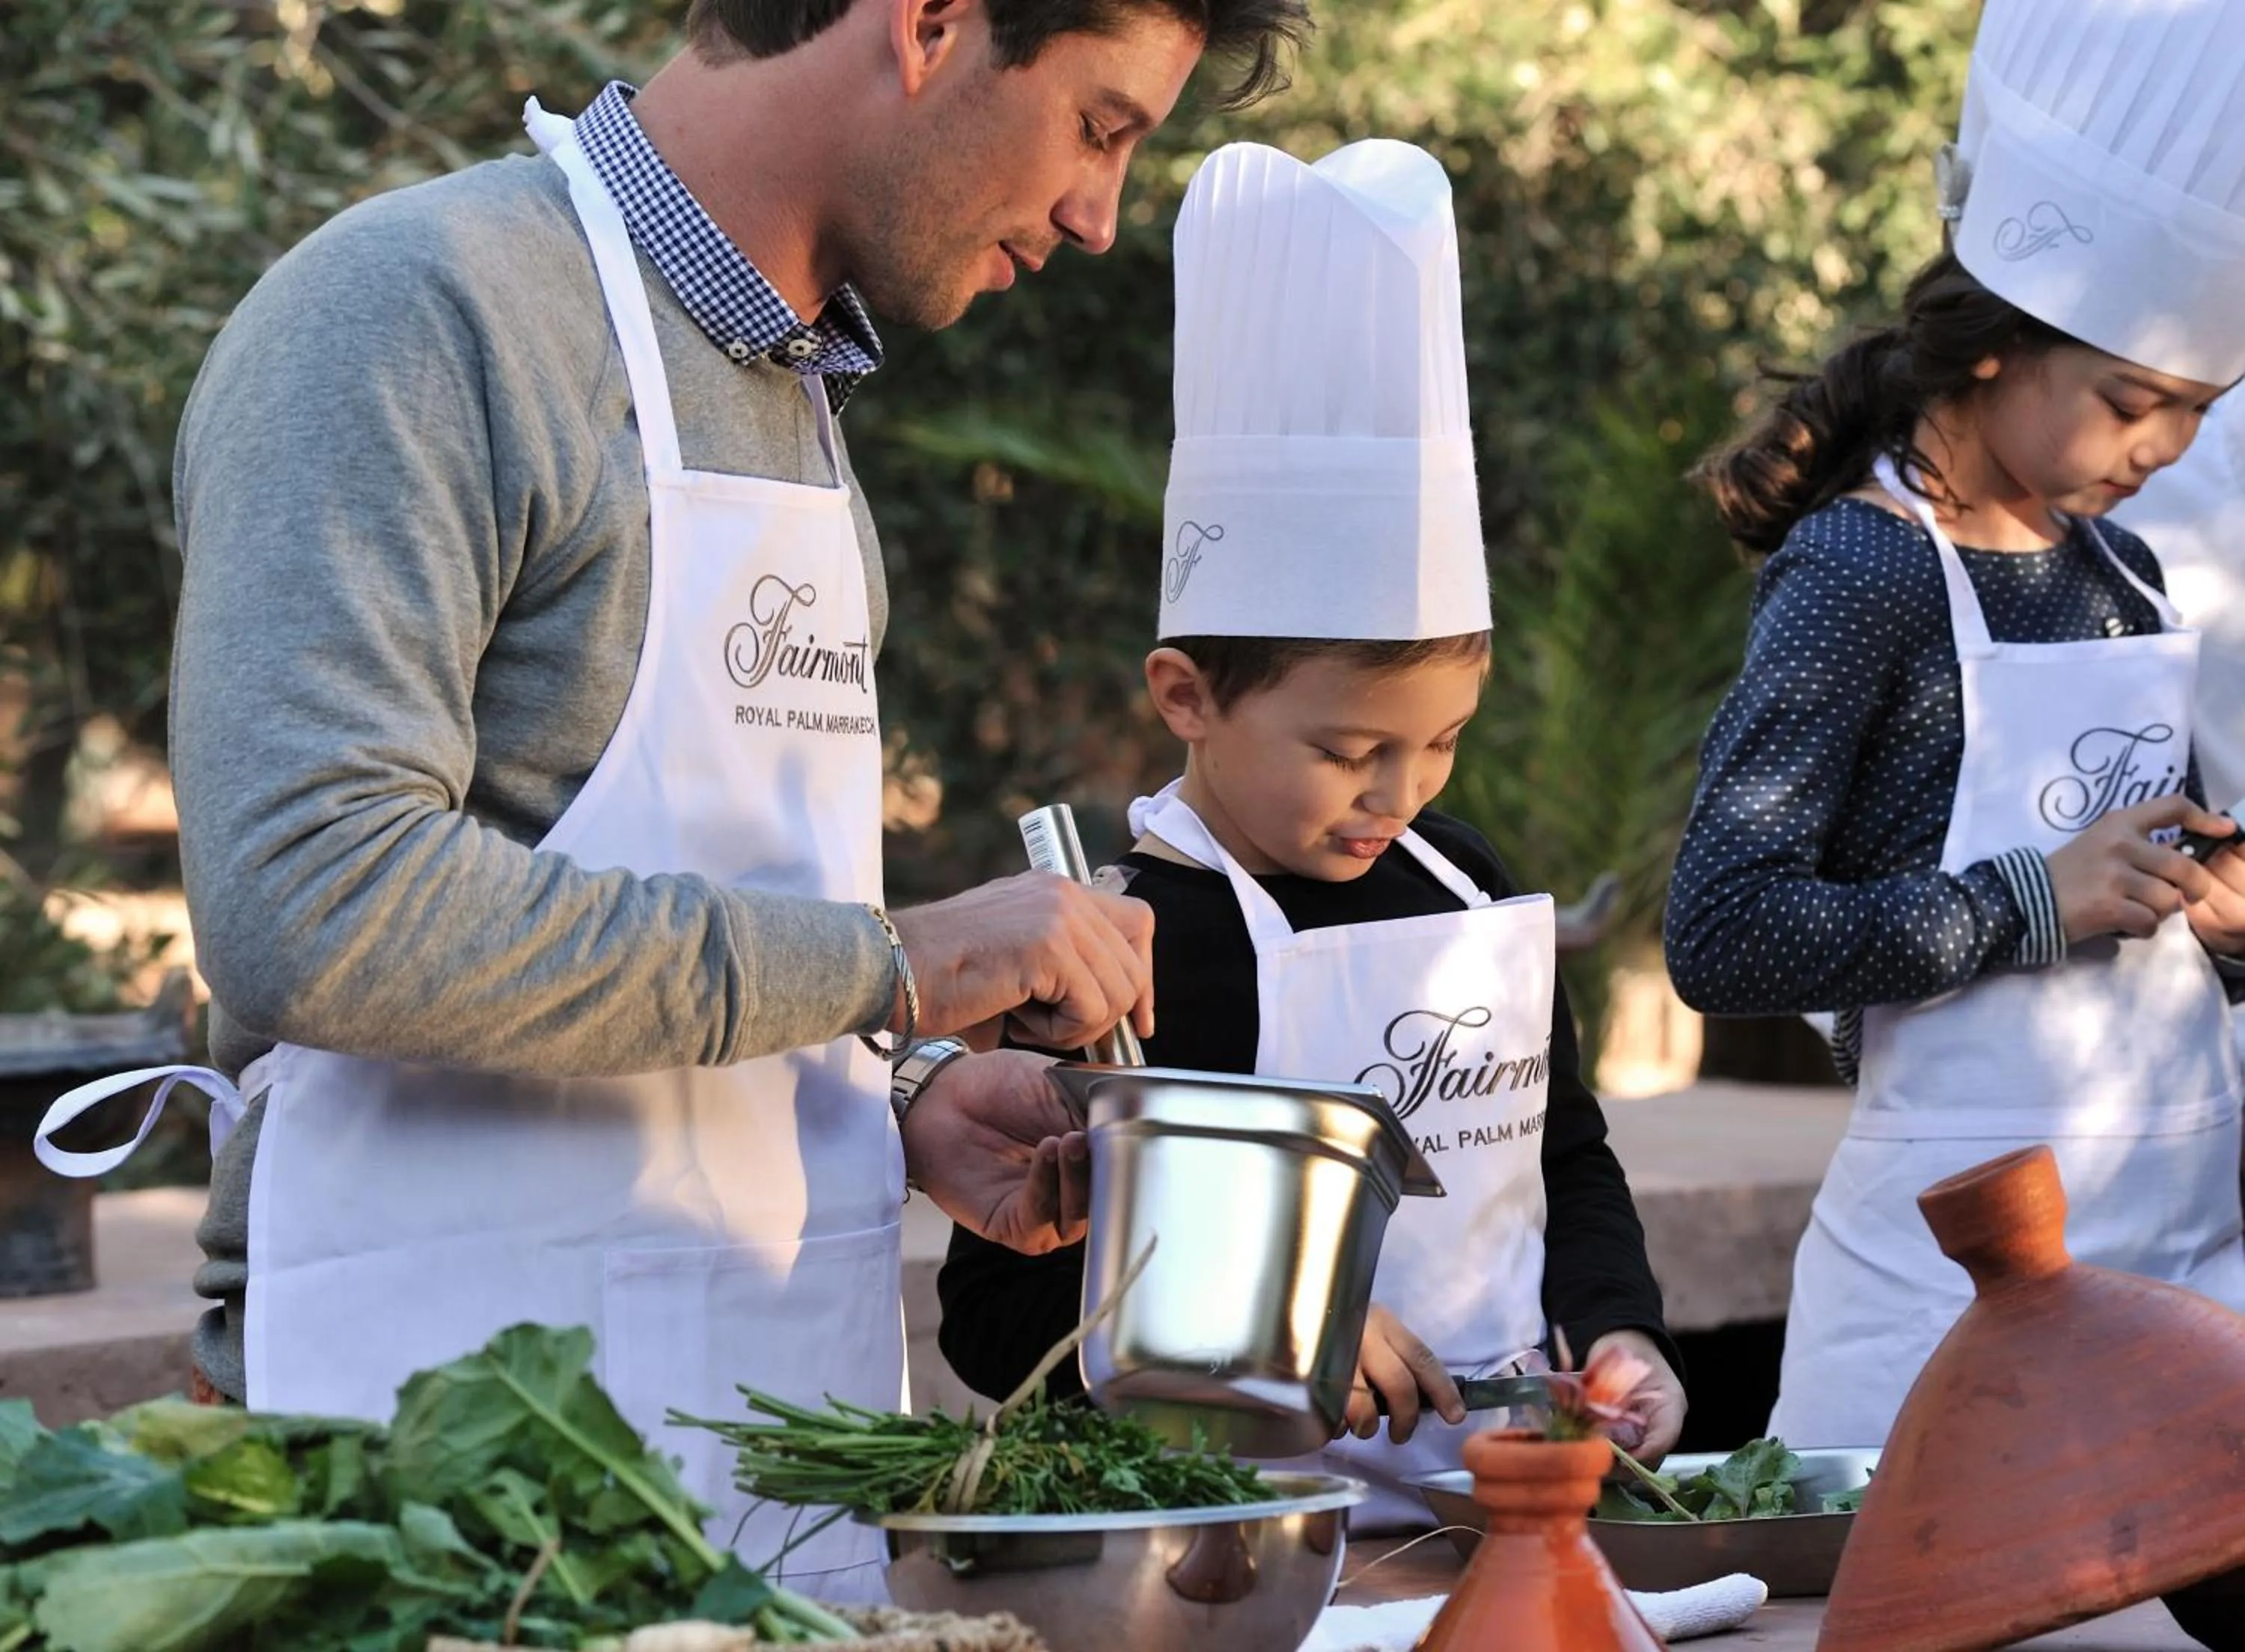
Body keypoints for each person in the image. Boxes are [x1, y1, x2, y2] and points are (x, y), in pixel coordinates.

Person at [31, 0, 1310, 1597]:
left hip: (778, 1494)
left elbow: (704, 912)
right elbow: (314, 903)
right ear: (926, 25)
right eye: (1101, 127)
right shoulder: (412, 313)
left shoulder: (798, 415)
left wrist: (899, 1095)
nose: (1098, 217)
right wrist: (896, 965)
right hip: (430, 1501)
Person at [937, 138, 1682, 1533]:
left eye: (1444, 739)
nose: (1400, 794)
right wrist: (1271, 1343)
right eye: (1350, 752)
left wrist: (1618, 1330)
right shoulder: (1124, 955)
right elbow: (1000, 1321)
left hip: (1511, 1522)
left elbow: (1562, 1157)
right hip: (1243, 1556)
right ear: (1189, 698)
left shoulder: (1469, 885)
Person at [1666, 0, 2245, 1452]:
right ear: (1995, 350)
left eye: (2198, 412)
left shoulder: (2118, 568)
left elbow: (2129, 894)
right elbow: (1722, 928)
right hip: (1940, 1309)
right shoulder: (1861, 573)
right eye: (2136, 403)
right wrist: (2029, 903)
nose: (2165, 450)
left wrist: (2216, 920)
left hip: (2181, 1271)